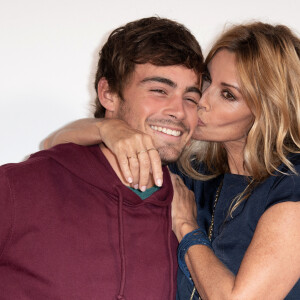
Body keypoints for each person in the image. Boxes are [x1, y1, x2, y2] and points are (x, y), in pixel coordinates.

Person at [45, 22, 300, 299]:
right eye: (205, 82)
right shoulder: (193, 171)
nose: (201, 101)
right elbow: (54, 144)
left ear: (269, 110)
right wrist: (106, 129)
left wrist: (185, 226)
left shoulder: (291, 183)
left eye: (228, 94)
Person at [0, 17, 204, 299]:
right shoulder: (18, 187)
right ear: (108, 94)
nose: (179, 111)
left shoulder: (197, 206)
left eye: (191, 98)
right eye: (159, 90)